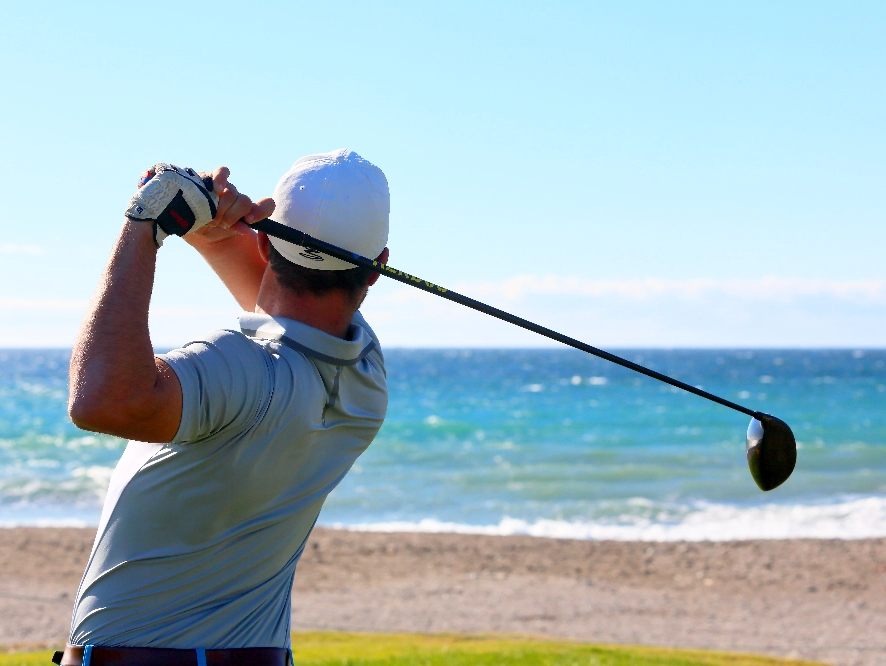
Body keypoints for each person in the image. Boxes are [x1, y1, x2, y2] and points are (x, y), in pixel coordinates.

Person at [60, 149, 391, 666]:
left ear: (265, 239)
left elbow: (101, 400)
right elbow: (288, 312)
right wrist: (207, 232)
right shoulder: (366, 376)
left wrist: (144, 224)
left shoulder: (236, 367)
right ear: (377, 270)